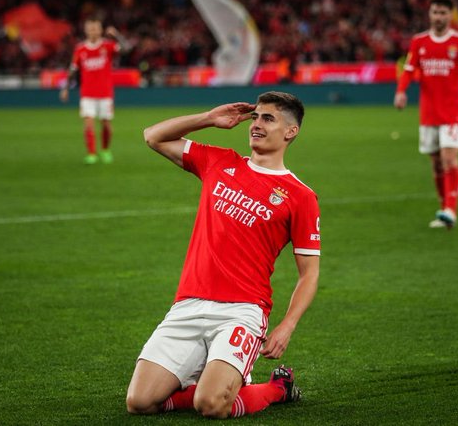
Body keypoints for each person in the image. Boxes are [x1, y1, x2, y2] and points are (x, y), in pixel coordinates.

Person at [126, 91, 321, 419]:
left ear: (291, 131)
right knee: (140, 402)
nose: (256, 124)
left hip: (242, 311)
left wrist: (287, 325)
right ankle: (207, 379)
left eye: (268, 119)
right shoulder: (219, 161)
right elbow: (153, 136)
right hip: (189, 304)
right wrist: (208, 119)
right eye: (255, 117)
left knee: (212, 405)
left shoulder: (300, 196)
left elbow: (309, 273)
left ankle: (277, 388)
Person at [394, 0, 458, 228]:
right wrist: (400, 92)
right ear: (429, 15)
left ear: (450, 15)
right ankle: (444, 208)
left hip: (452, 112)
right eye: (435, 12)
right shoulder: (419, 41)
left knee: (449, 159)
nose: (438, 17)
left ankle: (451, 209)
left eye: (442, 12)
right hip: (428, 113)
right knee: (436, 164)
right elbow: (408, 70)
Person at [59, 16, 127, 165]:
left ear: (101, 30)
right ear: (86, 30)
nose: (93, 31)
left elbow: (127, 49)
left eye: (95, 28)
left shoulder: (108, 46)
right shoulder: (80, 49)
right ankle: (91, 154)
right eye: (90, 28)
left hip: (105, 93)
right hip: (87, 93)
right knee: (88, 123)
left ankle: (105, 150)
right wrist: (65, 88)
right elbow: (72, 69)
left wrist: (116, 35)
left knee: (106, 124)